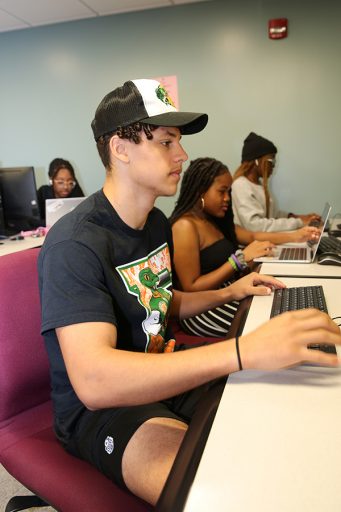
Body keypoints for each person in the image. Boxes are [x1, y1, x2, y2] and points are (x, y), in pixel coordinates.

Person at [38, 79, 341, 506]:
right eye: (166, 142)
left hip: (165, 369)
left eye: (178, 142)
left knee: (280, 419)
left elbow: (162, 300)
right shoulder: (75, 243)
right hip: (102, 411)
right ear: (120, 149)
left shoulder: (156, 223)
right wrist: (242, 351)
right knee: (221, 488)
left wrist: (229, 291)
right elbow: (94, 381)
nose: (182, 155)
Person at [170, 157, 321, 337]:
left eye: (229, 192)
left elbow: (252, 236)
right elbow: (192, 287)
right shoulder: (185, 226)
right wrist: (239, 260)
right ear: (201, 191)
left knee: (283, 309)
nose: (227, 198)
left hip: (229, 292)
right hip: (203, 309)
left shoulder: (213, 220)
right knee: (277, 326)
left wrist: (296, 236)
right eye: (222, 191)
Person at [231, 132, 320, 232]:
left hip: (263, 241)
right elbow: (255, 225)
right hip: (250, 246)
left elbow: (272, 216)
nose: (273, 166)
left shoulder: (258, 185)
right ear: (256, 161)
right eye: (271, 161)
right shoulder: (241, 186)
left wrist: (296, 217)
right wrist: (299, 222)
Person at [37, 157, 84, 224]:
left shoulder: (76, 194)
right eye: (60, 182)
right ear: (51, 179)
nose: (66, 187)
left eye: (70, 182)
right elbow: (33, 220)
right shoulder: (43, 193)